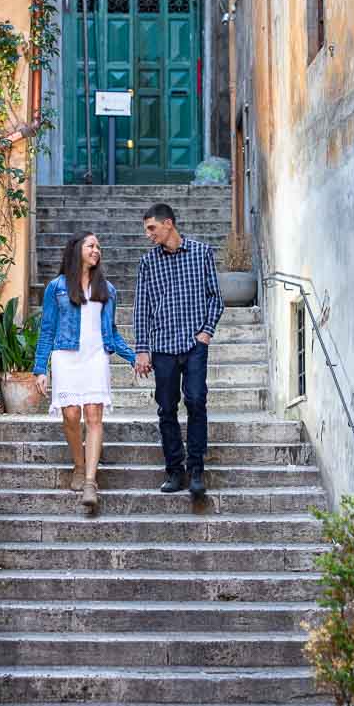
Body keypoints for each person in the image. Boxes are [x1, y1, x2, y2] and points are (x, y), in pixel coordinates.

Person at [33, 232, 136, 509]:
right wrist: (40, 368)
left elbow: (111, 332)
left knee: (93, 414)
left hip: (95, 357)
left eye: (99, 247)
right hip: (66, 356)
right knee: (70, 414)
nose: (96, 250)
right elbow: (47, 330)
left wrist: (133, 357)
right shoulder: (56, 287)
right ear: (77, 249)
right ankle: (79, 465)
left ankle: (90, 481)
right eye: (91, 245)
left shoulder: (107, 290)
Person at [133, 202, 224, 500]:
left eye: (152, 228)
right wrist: (142, 350)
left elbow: (216, 298)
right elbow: (141, 309)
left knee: (196, 401)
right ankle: (175, 469)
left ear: (168, 223)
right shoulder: (148, 263)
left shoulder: (201, 253)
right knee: (166, 407)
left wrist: (206, 333)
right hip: (162, 347)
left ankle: (196, 470)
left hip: (194, 343)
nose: (148, 234)